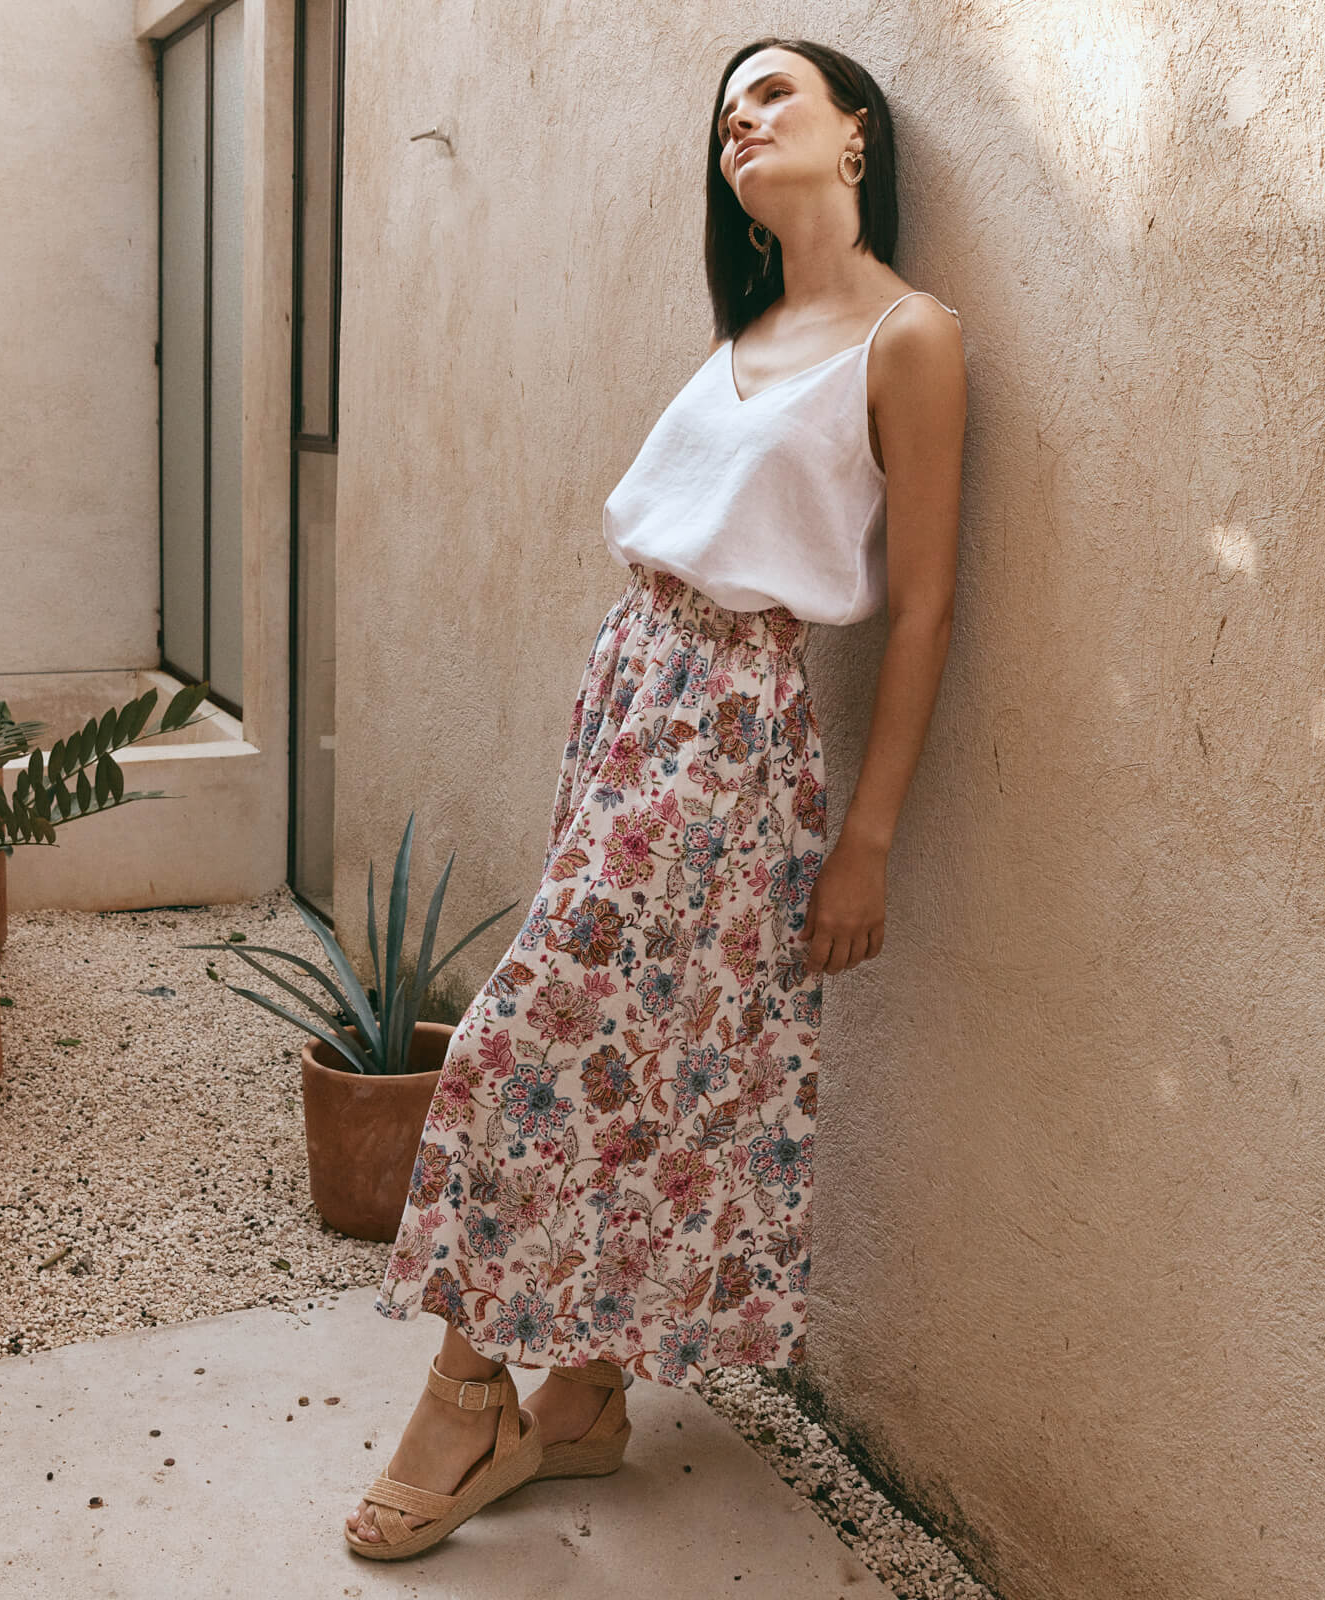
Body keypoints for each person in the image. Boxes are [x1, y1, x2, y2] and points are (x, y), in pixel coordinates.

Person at [344, 35, 968, 1558]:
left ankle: (467, 1393)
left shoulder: (910, 338)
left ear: (857, 134)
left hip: (731, 728)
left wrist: (867, 842)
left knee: (525, 1034)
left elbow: (926, 607)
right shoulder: (747, 325)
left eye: (775, 94)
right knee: (641, 1050)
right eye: (726, 109)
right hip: (633, 689)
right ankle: (587, 1397)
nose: (740, 119)